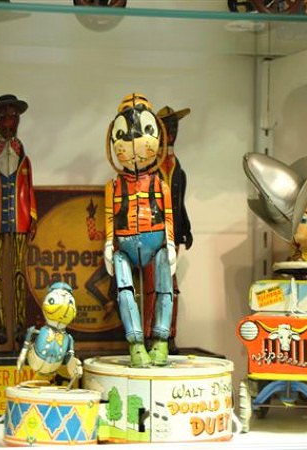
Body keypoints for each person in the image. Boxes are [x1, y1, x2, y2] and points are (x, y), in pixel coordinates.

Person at [104, 93, 176, 367]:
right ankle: (135, 343)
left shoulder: (160, 185)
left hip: (156, 243)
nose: (134, 142)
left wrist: (170, 243)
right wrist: (108, 243)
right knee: (124, 291)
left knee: (164, 288)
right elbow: (110, 216)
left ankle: (161, 340)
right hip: (124, 245)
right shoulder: (113, 187)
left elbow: (168, 216)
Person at [0, 94, 37, 346]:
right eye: (3, 116)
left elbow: (29, 189)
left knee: (19, 273)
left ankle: (21, 325)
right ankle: (0, 325)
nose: (7, 120)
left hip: (20, 219)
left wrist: (33, 216)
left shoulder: (25, 159)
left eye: (12, 115)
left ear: (18, 119)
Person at [143, 106, 193, 354]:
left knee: (170, 288)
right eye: (167, 126)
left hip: (173, 237)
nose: (172, 130)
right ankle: (148, 334)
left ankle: (168, 334)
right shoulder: (149, 167)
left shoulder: (176, 166)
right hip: (152, 235)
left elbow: (179, 201)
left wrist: (186, 228)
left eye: (175, 125)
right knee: (153, 287)